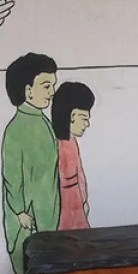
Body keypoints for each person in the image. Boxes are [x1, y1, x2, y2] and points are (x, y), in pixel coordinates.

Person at [1, 53, 60, 274]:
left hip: (47, 216)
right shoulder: (17, 128)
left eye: (53, 85)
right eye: (46, 86)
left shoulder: (42, 121)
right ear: (28, 90)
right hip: (27, 221)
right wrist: (20, 211)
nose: (52, 92)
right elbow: (12, 177)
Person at [50, 82, 94, 230]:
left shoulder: (72, 142)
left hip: (77, 204)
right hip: (65, 208)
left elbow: (80, 175)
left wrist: (84, 200)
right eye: (84, 118)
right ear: (72, 116)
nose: (87, 124)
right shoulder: (57, 145)